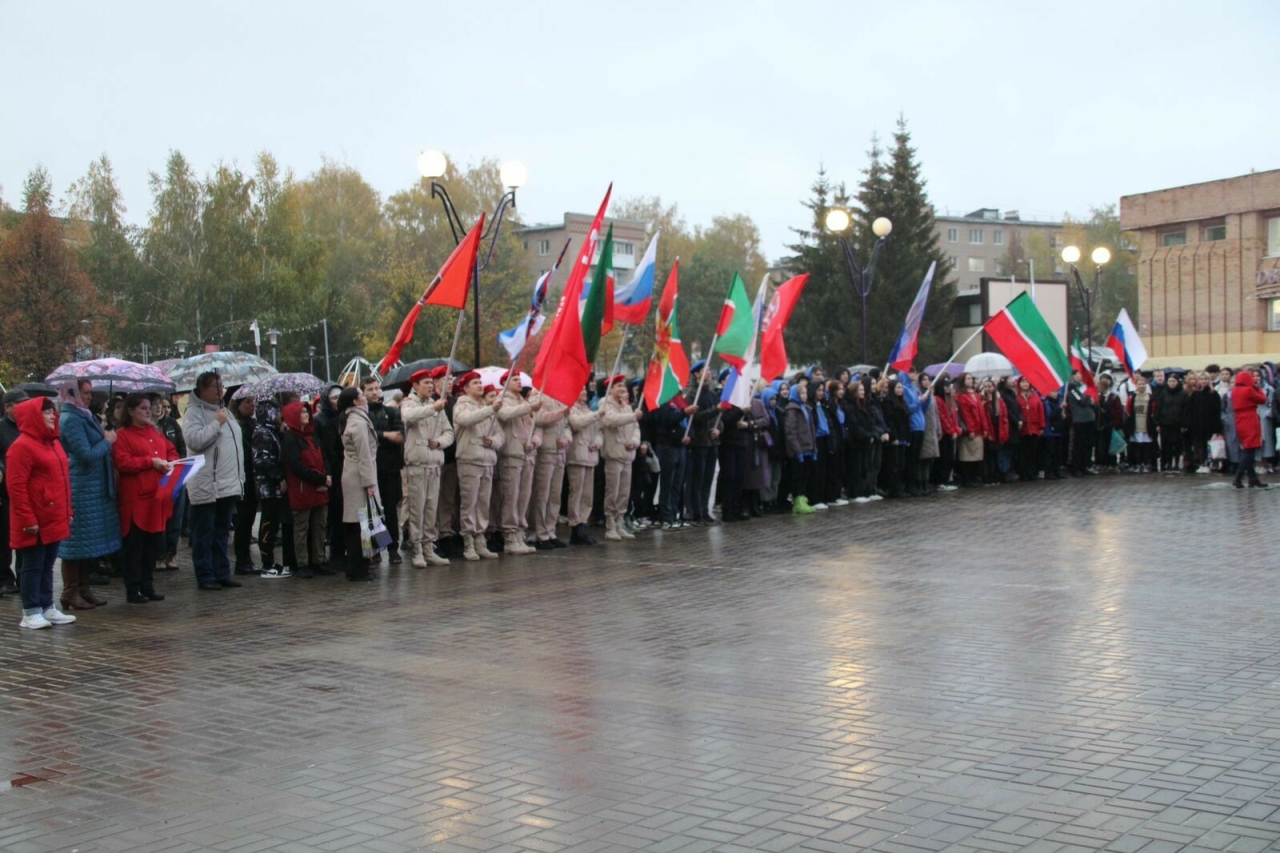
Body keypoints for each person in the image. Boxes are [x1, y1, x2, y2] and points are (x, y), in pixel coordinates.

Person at [8, 397, 76, 628]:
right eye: (46, 412)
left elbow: (63, 481)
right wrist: (27, 519)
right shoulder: (22, 447)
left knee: (47, 564)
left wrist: (67, 510)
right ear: (33, 416)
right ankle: (31, 611)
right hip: (35, 519)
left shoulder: (54, 443)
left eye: (52, 411)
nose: (52, 415)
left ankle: (47, 607)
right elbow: (16, 487)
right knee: (33, 565)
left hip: (53, 516)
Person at [56, 379, 119, 610]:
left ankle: (83, 589)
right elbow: (85, 454)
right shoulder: (71, 418)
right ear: (72, 393)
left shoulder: (84, 415)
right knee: (75, 543)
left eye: (91, 392)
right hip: (81, 488)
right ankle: (70, 591)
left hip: (93, 487)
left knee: (87, 543)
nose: (90, 397)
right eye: (85, 392)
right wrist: (107, 442)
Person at [182, 371, 245, 593]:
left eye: (221, 385)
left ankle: (222, 571)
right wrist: (216, 424)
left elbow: (236, 447)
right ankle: (205, 574)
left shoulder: (225, 410)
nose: (220, 390)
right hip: (207, 483)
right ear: (202, 389)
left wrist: (240, 477)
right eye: (215, 386)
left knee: (221, 532)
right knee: (204, 532)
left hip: (227, 483)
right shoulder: (193, 412)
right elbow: (195, 441)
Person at [113, 393, 178, 603]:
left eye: (149, 407)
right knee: (135, 547)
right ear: (130, 411)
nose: (148, 411)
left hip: (156, 498)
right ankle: (133, 588)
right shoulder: (122, 435)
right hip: (135, 500)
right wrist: (151, 462)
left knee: (153, 546)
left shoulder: (155, 432)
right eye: (143, 408)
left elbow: (171, 451)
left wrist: (171, 462)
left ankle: (147, 585)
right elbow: (123, 462)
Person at [401, 367, 455, 566]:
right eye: (426, 383)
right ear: (415, 386)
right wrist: (433, 409)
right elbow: (408, 417)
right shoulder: (409, 403)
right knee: (418, 507)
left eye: (432, 383)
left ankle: (428, 546)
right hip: (417, 463)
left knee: (431, 507)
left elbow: (449, 432)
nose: (431, 387)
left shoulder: (436, 405)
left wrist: (440, 442)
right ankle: (416, 548)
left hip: (434, 462)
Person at [452, 372, 503, 561]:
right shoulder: (462, 405)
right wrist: (490, 409)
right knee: (469, 503)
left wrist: (493, 442)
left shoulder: (487, 407)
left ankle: (480, 539)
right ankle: (468, 541)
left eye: (480, 382)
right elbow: (466, 419)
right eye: (475, 383)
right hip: (470, 459)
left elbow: (500, 434)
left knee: (483, 503)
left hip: (487, 460)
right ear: (465, 388)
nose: (480, 385)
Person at [280, 401, 332, 577]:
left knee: (320, 525)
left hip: (319, 488)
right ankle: (302, 563)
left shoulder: (312, 435)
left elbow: (323, 457)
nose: (306, 415)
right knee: (301, 528)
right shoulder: (290, 438)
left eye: (307, 412)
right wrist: (321, 478)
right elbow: (296, 466)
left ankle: (319, 559)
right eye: (302, 412)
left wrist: (325, 476)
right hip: (303, 489)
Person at [495, 371, 539, 555]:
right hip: (511, 453)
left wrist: (534, 441)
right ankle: (510, 533)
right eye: (514, 379)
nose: (519, 382)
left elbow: (534, 426)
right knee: (511, 495)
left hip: (527, 454)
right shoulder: (502, 399)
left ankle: (521, 529)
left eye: (519, 379)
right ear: (505, 383)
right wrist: (528, 407)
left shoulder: (523, 402)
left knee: (524, 495)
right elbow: (505, 415)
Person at [362, 376, 404, 564]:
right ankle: (377, 548)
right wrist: (385, 435)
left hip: (390, 467)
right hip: (371, 469)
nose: (375, 392)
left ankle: (393, 548)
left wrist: (381, 438)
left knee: (391, 510)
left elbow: (400, 437)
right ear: (363, 392)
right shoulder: (362, 414)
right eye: (370, 389)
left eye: (377, 388)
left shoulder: (391, 412)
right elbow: (366, 436)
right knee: (373, 511)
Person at [338, 386, 379, 581]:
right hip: (359, 478)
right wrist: (370, 482)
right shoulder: (357, 422)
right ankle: (357, 568)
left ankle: (361, 565)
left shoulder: (353, 418)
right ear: (355, 401)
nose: (365, 397)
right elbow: (364, 455)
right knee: (361, 524)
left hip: (355, 474)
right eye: (362, 394)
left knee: (361, 523)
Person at [252, 400, 291, 577]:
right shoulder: (262, 433)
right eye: (276, 413)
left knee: (273, 524)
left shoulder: (272, 432)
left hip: (274, 487)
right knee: (268, 524)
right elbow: (262, 460)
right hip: (268, 487)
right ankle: (267, 564)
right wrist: (279, 477)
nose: (279, 416)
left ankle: (271, 562)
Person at [530, 389, 569, 549]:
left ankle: (551, 530)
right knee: (542, 494)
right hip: (545, 449)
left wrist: (567, 439)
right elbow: (538, 418)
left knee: (555, 495)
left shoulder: (560, 396)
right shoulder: (537, 395)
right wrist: (560, 413)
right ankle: (540, 532)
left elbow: (567, 425)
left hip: (559, 451)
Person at [313, 385, 346, 564]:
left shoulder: (344, 417)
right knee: (333, 515)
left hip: (345, 469)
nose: (337, 401)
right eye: (334, 398)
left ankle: (342, 551)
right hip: (331, 471)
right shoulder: (320, 420)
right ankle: (335, 554)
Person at [684, 361, 720, 524]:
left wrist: (719, 429)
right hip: (699, 442)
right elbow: (695, 417)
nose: (708, 373)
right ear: (696, 374)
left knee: (708, 478)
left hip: (712, 442)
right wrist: (716, 410)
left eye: (709, 370)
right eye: (704, 371)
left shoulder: (712, 394)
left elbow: (719, 418)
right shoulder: (692, 394)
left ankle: (705, 510)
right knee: (697, 479)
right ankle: (695, 511)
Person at [566, 385, 603, 545]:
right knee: (577, 492)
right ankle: (575, 525)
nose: (584, 392)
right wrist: (596, 415)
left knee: (587, 494)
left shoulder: (588, 409)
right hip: (577, 454)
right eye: (580, 390)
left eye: (584, 390)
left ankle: (583, 522)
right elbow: (576, 424)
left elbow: (600, 431)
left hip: (590, 455)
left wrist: (597, 442)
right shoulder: (571, 408)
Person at [155, 396, 187, 570]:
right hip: (158, 478)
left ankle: (171, 554)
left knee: (176, 518)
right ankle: (158, 555)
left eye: (163, 406)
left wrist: (176, 462)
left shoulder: (172, 424)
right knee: (160, 520)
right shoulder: (149, 427)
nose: (160, 409)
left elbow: (181, 448)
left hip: (175, 475)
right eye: (157, 405)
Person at [0, 389, 27, 596]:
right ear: (7, 407)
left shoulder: (28, 428)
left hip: (26, 490)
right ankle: (4, 577)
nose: (24, 406)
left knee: (25, 536)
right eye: (19, 403)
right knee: (5, 535)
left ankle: (23, 576)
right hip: (5, 491)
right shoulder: (2, 429)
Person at [231, 395, 260, 575]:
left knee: (248, 521)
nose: (252, 405)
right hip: (245, 479)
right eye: (247, 402)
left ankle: (245, 560)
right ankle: (242, 561)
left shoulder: (252, 424)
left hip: (252, 479)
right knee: (243, 521)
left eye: (252, 401)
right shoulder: (240, 426)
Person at [1231, 370, 1269, 489]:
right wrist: (1258, 389)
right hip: (1250, 418)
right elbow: (1262, 399)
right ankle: (1238, 477)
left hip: (1239, 419)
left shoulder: (1234, 391)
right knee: (1249, 450)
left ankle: (1253, 478)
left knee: (1247, 449)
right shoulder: (1248, 390)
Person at [784, 382, 817, 513]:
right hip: (799, 450)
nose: (804, 396)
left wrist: (814, 448)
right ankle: (797, 500)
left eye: (805, 393)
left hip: (808, 448)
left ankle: (803, 498)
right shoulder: (792, 410)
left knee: (805, 476)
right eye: (802, 393)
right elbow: (790, 432)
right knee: (798, 476)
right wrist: (797, 450)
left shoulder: (806, 409)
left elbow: (811, 429)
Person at [955, 373, 989, 487]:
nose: (970, 381)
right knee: (967, 456)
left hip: (979, 429)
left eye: (971, 379)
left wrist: (985, 427)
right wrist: (971, 429)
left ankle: (974, 477)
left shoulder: (975, 394)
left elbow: (981, 412)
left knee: (977, 456)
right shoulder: (962, 396)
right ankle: (967, 478)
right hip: (971, 430)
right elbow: (966, 414)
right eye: (968, 379)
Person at [1065, 370, 1096, 477]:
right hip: (1079, 420)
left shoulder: (1083, 387)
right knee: (1078, 445)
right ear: (1073, 376)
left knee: (1087, 445)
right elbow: (1081, 400)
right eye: (1078, 374)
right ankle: (1076, 467)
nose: (1080, 376)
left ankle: (1084, 466)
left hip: (1089, 419)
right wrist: (1089, 398)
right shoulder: (1072, 387)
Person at [1156, 372, 1189, 472]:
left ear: (1177, 382)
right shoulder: (1164, 393)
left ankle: (1177, 463)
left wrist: (1184, 424)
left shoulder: (1183, 394)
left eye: (1174, 381)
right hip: (1165, 424)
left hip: (1177, 424)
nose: (1172, 383)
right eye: (1170, 381)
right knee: (1166, 445)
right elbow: (1159, 408)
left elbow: (1185, 410)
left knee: (1177, 445)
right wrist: (1158, 422)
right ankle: (1167, 463)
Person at [1125, 373, 1157, 472]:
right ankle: (1137, 463)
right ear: (1136, 385)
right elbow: (1128, 410)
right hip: (1136, 425)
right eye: (1139, 384)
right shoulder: (1132, 397)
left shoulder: (1151, 397)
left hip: (1146, 425)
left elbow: (1154, 410)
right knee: (1136, 446)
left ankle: (1146, 463)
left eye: (1143, 384)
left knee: (1146, 446)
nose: (1141, 386)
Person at [1015, 378, 1045, 482]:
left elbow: (1040, 412)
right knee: (1023, 452)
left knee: (1032, 452)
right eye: (1023, 382)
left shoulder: (1035, 397)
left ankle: (1032, 472)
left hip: (1034, 428)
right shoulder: (1017, 397)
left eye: (1027, 382)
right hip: (1022, 429)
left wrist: (1041, 426)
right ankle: (1023, 473)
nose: (1025, 384)